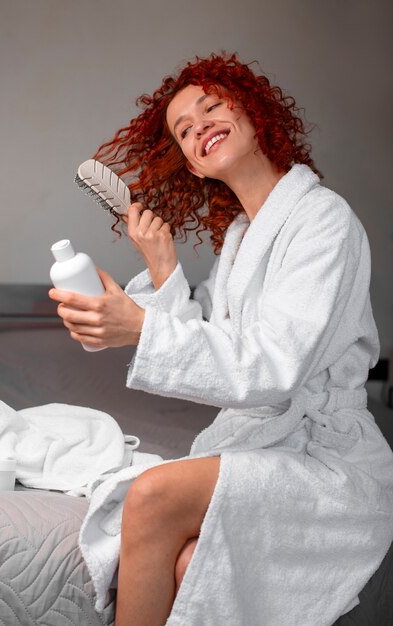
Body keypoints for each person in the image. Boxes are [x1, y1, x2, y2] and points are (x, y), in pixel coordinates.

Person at [49, 53, 393, 626]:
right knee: (187, 566)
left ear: (255, 113)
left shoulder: (324, 222)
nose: (200, 125)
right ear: (193, 165)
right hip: (266, 446)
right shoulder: (241, 238)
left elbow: (272, 366)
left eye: (211, 106)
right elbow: (210, 344)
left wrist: (139, 326)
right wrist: (161, 268)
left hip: (328, 462)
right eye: (184, 130)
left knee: (152, 496)